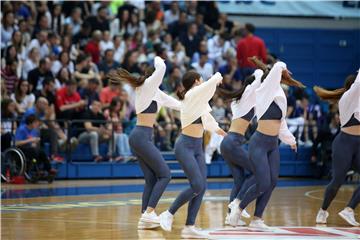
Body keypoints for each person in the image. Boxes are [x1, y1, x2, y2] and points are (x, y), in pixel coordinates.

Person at [229, 60, 305, 228]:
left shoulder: (279, 95)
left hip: (273, 144)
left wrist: (291, 140)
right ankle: (238, 208)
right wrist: (283, 68)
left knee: (272, 182)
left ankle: (257, 219)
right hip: (259, 143)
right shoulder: (264, 90)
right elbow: (278, 66)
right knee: (263, 182)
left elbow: (282, 122)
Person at [108, 56, 181, 230]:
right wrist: (157, 58)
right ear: (152, 77)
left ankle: (144, 218)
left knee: (150, 179)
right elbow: (161, 67)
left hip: (141, 137)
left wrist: (195, 107)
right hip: (141, 136)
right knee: (165, 175)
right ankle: (150, 212)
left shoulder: (156, 93)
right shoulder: (148, 86)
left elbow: (179, 105)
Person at [159, 71, 226, 238]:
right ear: (196, 81)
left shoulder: (199, 101)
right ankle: (168, 213)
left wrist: (219, 130)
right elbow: (208, 86)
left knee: (201, 187)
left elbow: (206, 118)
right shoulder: (191, 94)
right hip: (185, 146)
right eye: (201, 79)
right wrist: (217, 76)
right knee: (196, 184)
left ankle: (189, 226)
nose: (203, 81)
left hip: (197, 147)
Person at [218, 69, 264, 226]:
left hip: (228, 142)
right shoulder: (248, 95)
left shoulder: (238, 100)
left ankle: (230, 216)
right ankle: (238, 202)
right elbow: (258, 76)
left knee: (239, 179)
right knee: (256, 171)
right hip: (233, 142)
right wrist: (261, 69)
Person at [314, 71, 360, 227]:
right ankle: (322, 210)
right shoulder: (347, 99)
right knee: (337, 181)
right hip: (344, 144)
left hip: (358, 145)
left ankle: (349, 210)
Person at [15, 114, 57, 179]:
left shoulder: (35, 131)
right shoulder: (21, 129)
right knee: (34, 151)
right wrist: (30, 140)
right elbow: (17, 143)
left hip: (30, 148)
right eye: (36, 122)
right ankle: (37, 170)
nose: (38, 124)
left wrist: (34, 142)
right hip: (21, 149)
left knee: (41, 152)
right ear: (31, 123)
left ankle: (49, 169)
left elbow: (33, 143)